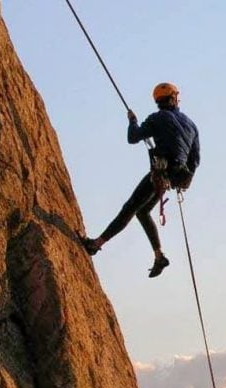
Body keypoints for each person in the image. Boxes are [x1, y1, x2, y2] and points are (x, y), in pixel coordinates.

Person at [82, 82, 200, 277]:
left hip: (161, 173)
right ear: (173, 98)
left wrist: (132, 121)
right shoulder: (191, 125)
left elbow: (133, 137)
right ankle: (159, 255)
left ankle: (96, 244)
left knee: (130, 207)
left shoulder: (157, 118)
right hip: (175, 175)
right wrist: (180, 180)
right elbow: (195, 160)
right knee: (143, 211)